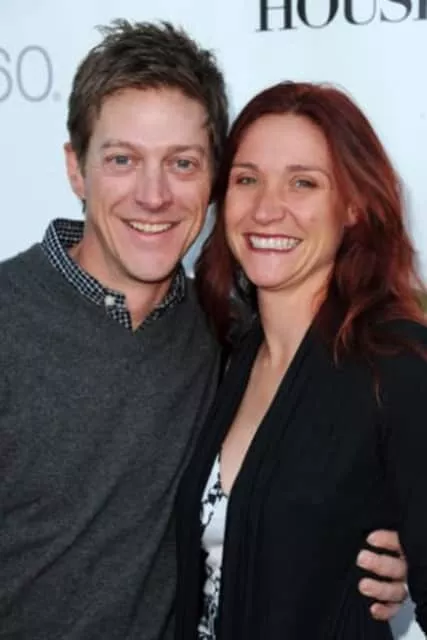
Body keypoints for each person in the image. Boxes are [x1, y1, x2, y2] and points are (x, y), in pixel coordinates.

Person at [0, 19, 406, 639]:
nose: (154, 195)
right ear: (76, 169)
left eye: (182, 163)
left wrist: (383, 544)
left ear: (213, 179)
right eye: (122, 160)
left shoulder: (226, 331)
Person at [174, 81, 427, 638]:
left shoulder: (399, 362)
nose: (267, 209)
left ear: (353, 205)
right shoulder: (229, 353)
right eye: (247, 179)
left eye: (303, 182)